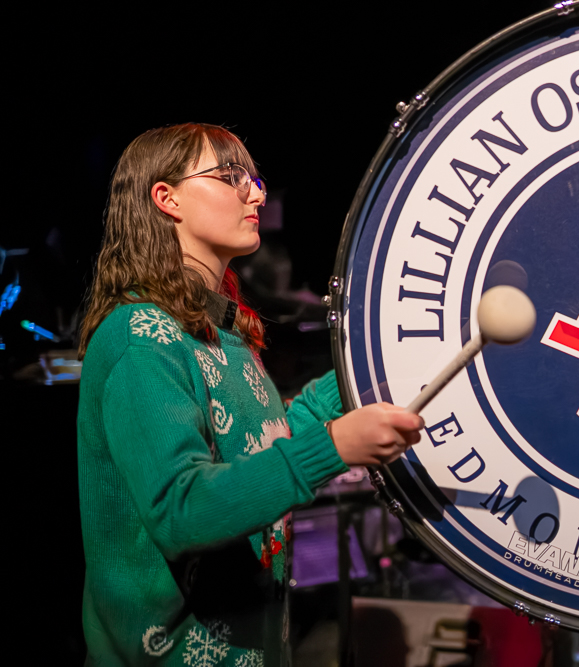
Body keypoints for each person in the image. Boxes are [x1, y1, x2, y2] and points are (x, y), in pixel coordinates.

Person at [76, 123, 424, 665]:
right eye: (230, 176)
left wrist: (377, 372)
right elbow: (182, 508)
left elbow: (268, 445)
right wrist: (335, 446)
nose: (256, 194)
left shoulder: (222, 333)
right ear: (166, 198)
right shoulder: (138, 336)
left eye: (254, 180)